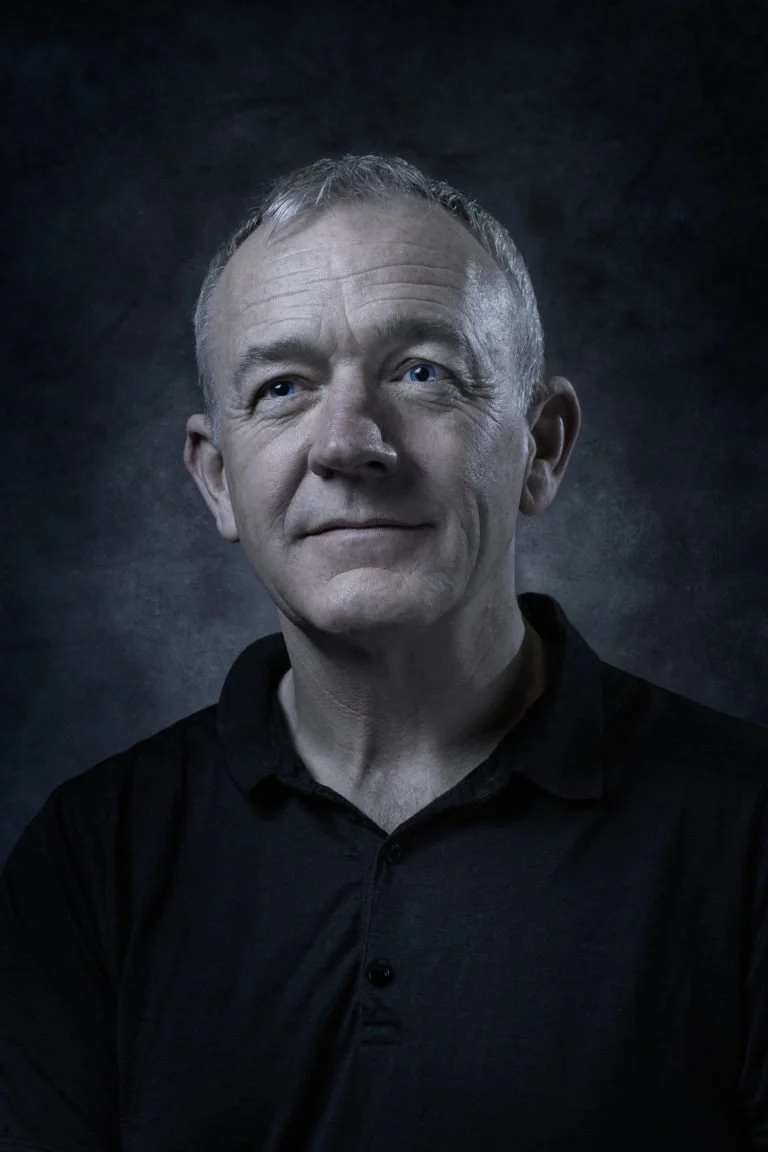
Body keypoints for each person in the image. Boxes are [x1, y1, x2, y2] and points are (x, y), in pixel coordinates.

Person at [1, 153, 766, 1151]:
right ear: (217, 478)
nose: (348, 442)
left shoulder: (748, 832)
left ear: (542, 445)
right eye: (282, 387)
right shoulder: (90, 859)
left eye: (422, 373)